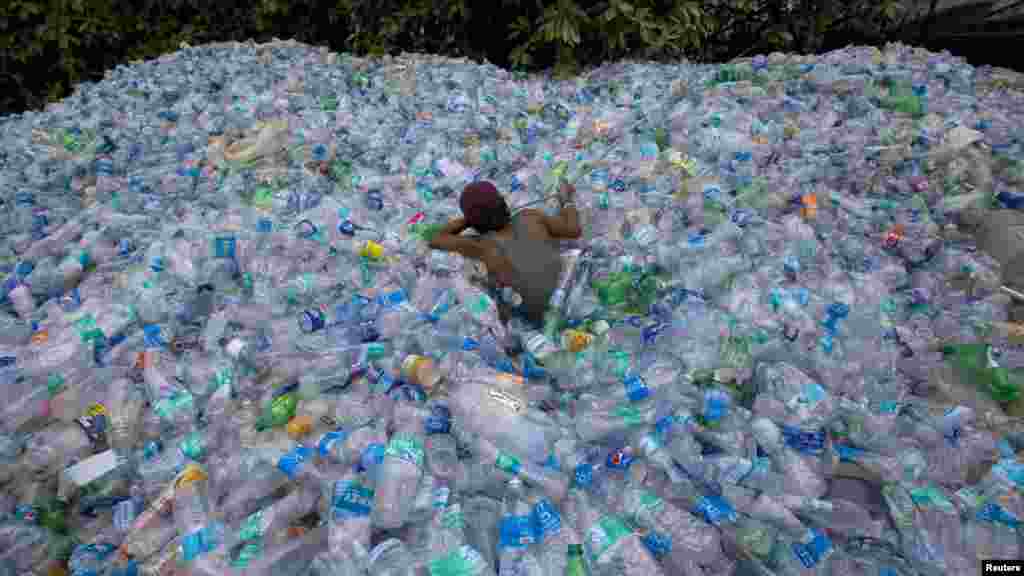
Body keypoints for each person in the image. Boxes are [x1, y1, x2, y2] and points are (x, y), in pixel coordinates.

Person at [428, 179, 582, 328]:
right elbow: (573, 229)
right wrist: (566, 200)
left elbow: (435, 240)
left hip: (532, 323)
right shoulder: (531, 217)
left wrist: (469, 220)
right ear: (503, 202)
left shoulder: (479, 245)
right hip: (572, 299)